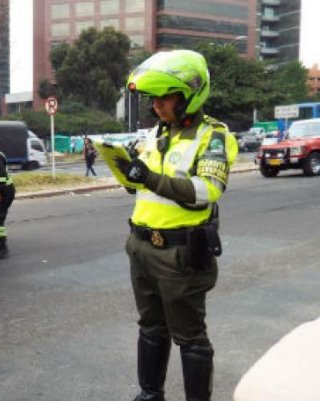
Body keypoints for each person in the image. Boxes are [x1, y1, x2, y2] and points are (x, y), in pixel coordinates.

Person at [115, 50, 238, 401]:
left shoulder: (213, 136)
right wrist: (128, 173)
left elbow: (206, 191)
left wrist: (150, 178)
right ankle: (150, 393)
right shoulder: (155, 133)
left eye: (164, 98)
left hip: (179, 254)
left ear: (190, 95)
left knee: (190, 337)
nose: (156, 106)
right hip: (140, 247)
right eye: (152, 100)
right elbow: (142, 184)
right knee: (151, 328)